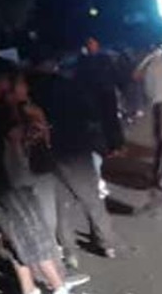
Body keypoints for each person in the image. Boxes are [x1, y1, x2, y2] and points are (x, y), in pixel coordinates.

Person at [0, 64, 99, 294]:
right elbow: (13, 137)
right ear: (0, 81)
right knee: (34, 235)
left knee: (17, 241)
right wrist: (24, 119)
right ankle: (60, 292)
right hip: (10, 183)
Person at [27, 49, 119, 260]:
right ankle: (107, 242)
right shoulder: (64, 85)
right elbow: (88, 112)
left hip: (46, 151)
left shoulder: (28, 89)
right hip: (73, 146)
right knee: (91, 197)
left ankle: (69, 250)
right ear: (51, 63)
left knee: (62, 201)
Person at [77, 37, 124, 154]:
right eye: (89, 43)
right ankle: (111, 146)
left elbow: (113, 72)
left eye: (92, 43)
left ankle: (119, 144)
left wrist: (117, 85)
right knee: (104, 120)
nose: (91, 46)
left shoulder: (104, 57)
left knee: (112, 118)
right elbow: (83, 79)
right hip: (96, 94)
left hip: (107, 91)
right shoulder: (85, 61)